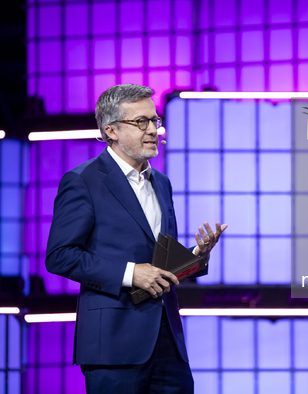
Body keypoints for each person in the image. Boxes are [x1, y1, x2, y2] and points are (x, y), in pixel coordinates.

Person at [46, 84, 227, 393]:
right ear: (111, 130)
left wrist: (197, 256)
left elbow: (160, 263)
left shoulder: (161, 183)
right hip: (115, 345)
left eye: (154, 120)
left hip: (168, 341)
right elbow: (60, 255)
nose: (153, 130)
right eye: (141, 121)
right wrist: (131, 273)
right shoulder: (82, 181)